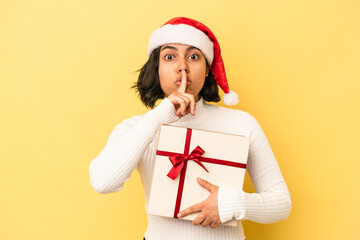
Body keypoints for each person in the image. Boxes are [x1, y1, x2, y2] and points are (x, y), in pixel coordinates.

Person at [89, 17, 291, 240]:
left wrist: (232, 203)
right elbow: (103, 182)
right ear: (156, 68)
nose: (182, 66)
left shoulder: (242, 123)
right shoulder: (136, 127)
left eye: (194, 56)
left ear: (207, 70)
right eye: (169, 56)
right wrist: (160, 115)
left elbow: (282, 203)